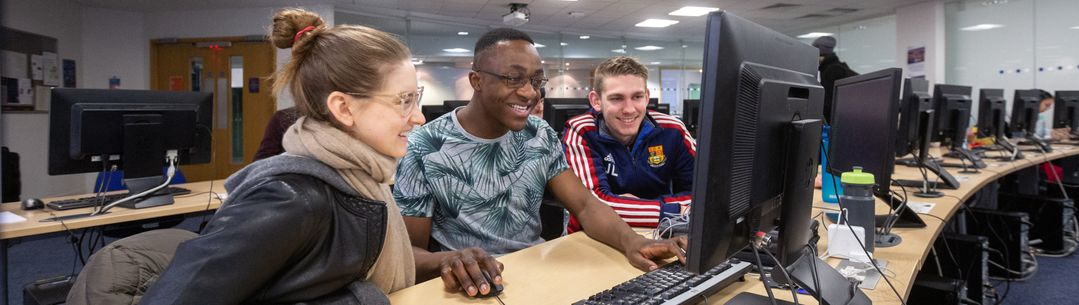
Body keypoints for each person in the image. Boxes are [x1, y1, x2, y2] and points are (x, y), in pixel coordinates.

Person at [138, 8, 424, 304]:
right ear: (343, 108)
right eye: (404, 101)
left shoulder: (364, 180)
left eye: (417, 97)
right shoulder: (289, 199)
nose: (419, 117)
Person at [393, 28, 687, 298]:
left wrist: (633, 242)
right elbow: (410, 253)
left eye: (535, 80)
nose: (530, 92)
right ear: (477, 81)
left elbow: (585, 205)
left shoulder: (539, 134)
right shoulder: (425, 146)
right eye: (513, 78)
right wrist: (448, 259)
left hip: (534, 273)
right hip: (469, 286)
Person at [561, 56, 695, 233]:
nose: (629, 109)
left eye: (637, 97)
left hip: (661, 232)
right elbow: (592, 207)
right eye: (617, 98)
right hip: (593, 238)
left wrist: (630, 206)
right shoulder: (581, 131)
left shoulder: (673, 129)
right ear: (596, 101)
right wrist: (672, 210)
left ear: (647, 97)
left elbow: (704, 195)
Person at [813, 36, 858, 122]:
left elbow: (827, 104)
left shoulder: (831, 71)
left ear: (821, 56)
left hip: (838, 122)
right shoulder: (841, 67)